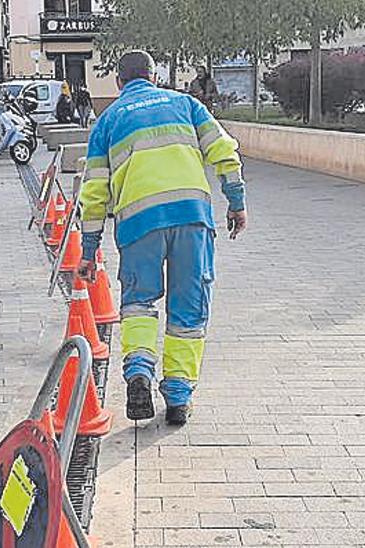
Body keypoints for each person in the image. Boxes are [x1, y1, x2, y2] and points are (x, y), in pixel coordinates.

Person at [76, 51, 248, 426]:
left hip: (138, 224)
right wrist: (236, 203)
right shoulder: (187, 104)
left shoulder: (106, 122)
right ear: (154, 77)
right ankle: (178, 398)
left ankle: (139, 370)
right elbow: (225, 153)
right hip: (192, 218)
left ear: (119, 82)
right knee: (188, 309)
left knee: (138, 302)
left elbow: (93, 194)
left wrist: (88, 251)